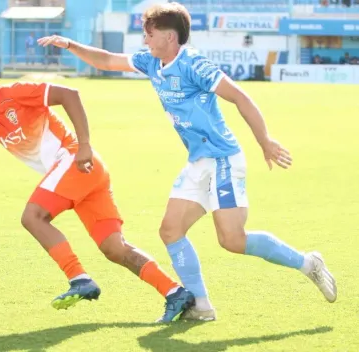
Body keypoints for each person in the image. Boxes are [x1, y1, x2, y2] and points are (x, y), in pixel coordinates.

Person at [37, 2, 337, 321]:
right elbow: (109, 60)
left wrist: (265, 140)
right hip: (198, 162)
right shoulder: (152, 63)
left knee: (232, 239)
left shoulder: (193, 63)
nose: (145, 40)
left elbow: (239, 96)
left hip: (222, 158)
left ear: (169, 36)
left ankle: (308, 263)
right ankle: (202, 307)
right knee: (170, 230)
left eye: (149, 34)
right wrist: (70, 44)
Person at [0, 56, 195, 323]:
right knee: (114, 248)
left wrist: (85, 145)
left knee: (32, 217)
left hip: (75, 161)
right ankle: (175, 293)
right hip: (79, 176)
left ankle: (79, 278)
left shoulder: (17, 93)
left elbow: (70, 94)